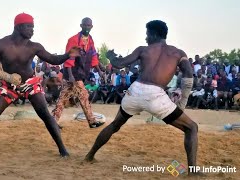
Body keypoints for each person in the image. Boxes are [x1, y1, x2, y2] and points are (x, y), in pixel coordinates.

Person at [85, 20, 199, 175]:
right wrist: (184, 99)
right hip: (156, 96)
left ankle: (90, 155)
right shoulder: (178, 53)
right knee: (191, 128)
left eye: (147, 34)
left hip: (135, 91)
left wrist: (110, 56)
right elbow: (188, 73)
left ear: (153, 34)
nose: (146, 38)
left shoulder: (143, 50)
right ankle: (192, 171)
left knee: (115, 125)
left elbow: (119, 64)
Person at [0, 13, 81, 157]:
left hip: (30, 84)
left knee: (46, 115)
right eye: (29, 27)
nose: (32, 30)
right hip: (9, 85)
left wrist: (67, 55)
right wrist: (7, 77)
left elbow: (53, 59)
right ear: (19, 27)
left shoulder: (34, 47)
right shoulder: (1, 44)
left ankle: (62, 149)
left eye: (33, 27)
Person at [52, 17, 105, 128]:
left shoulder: (90, 40)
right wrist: (70, 75)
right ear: (81, 25)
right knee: (84, 96)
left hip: (79, 74)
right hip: (73, 74)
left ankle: (53, 121)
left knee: (63, 98)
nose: (87, 27)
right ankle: (92, 121)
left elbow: (94, 56)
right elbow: (69, 58)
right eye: (85, 25)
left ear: (91, 27)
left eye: (89, 25)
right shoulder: (74, 40)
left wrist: (99, 71)